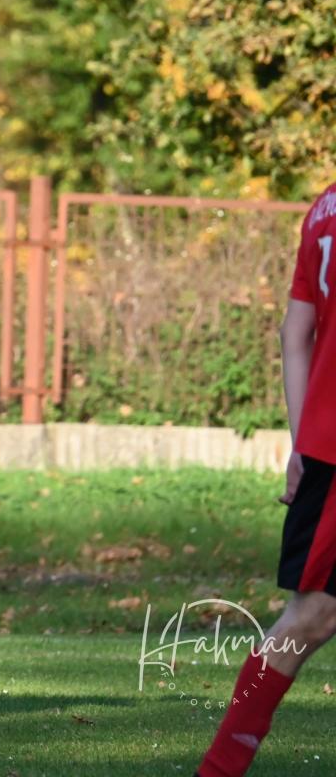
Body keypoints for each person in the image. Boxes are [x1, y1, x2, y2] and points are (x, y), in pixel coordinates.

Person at [193, 184, 336, 775]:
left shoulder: (323, 207)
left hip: (325, 443)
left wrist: (303, 442)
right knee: (309, 617)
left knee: (309, 617)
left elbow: (293, 333)